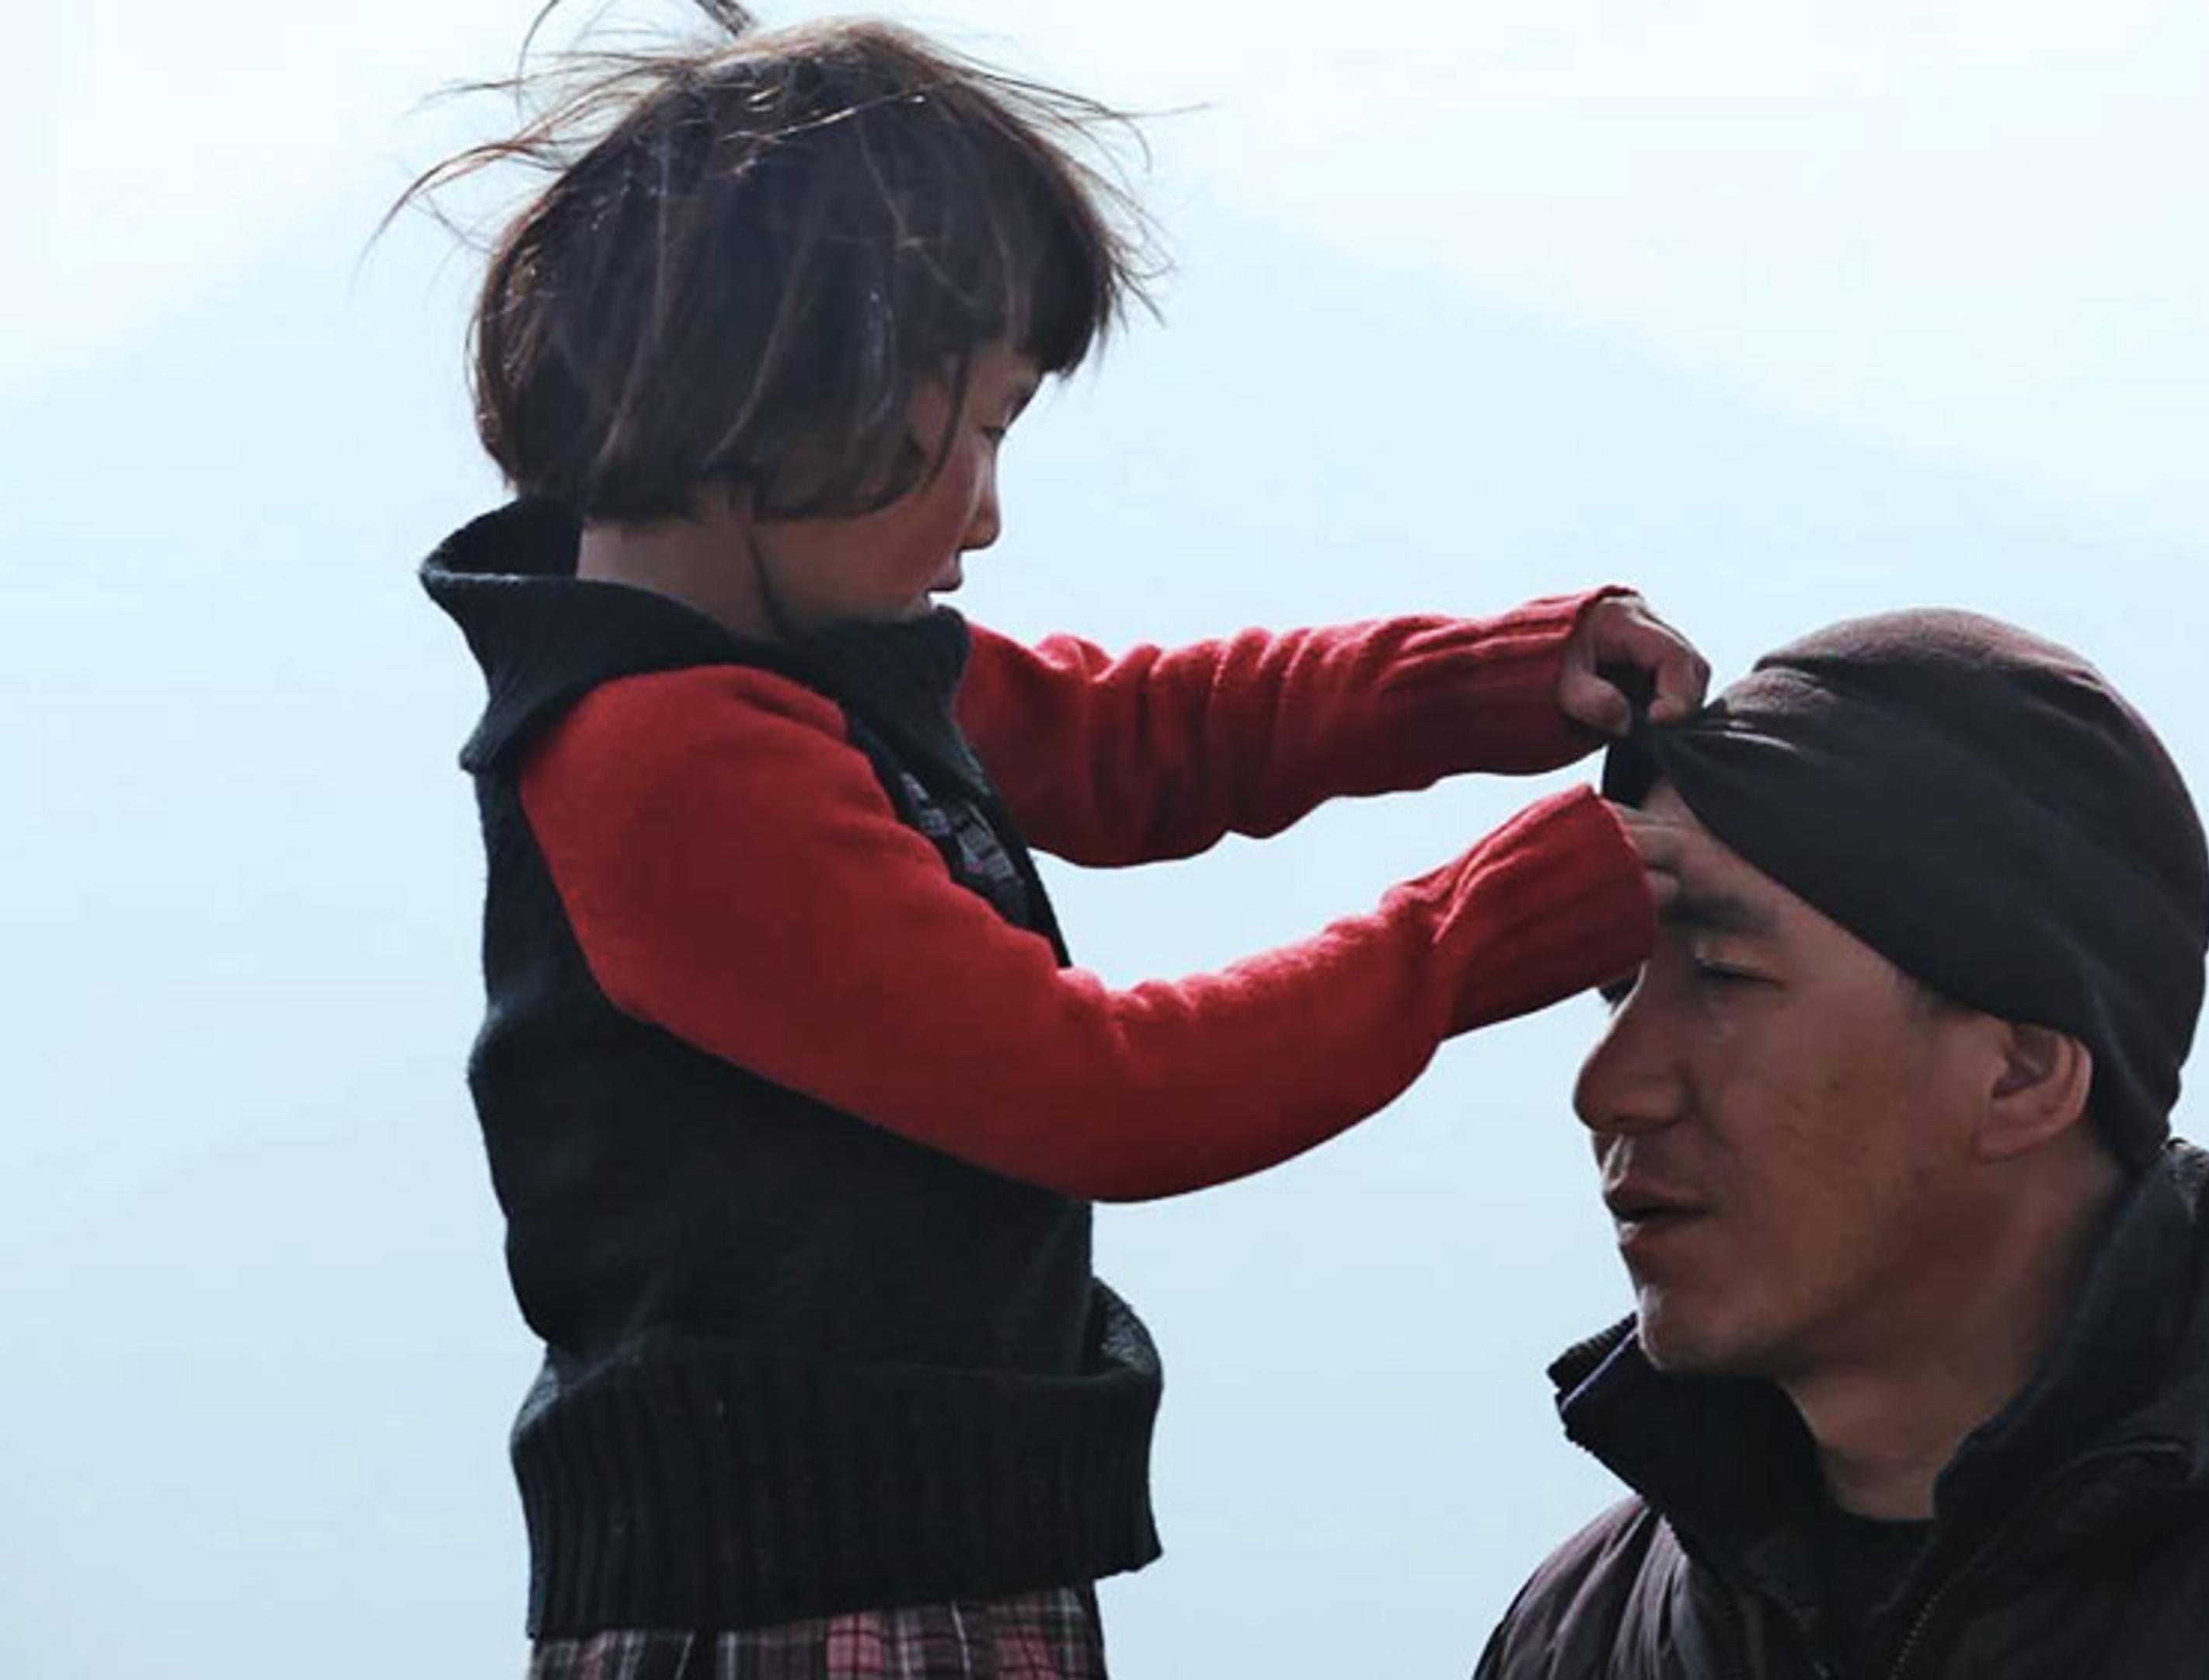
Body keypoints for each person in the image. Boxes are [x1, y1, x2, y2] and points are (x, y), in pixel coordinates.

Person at [404, 9, 1705, 1675]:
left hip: (911, 1558)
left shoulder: (800, 670)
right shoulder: (665, 761)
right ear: (791, 399)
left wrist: (1486, 684)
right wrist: (1472, 935)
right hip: (793, 1602)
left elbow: (1132, 740)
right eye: (975, 431)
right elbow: (1103, 1093)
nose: (988, 509)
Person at [1475, 612, 2209, 1679]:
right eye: (1619, 984)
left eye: (1724, 975)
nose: (1610, 1085)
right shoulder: (1583, 1635)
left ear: (2025, 1071)